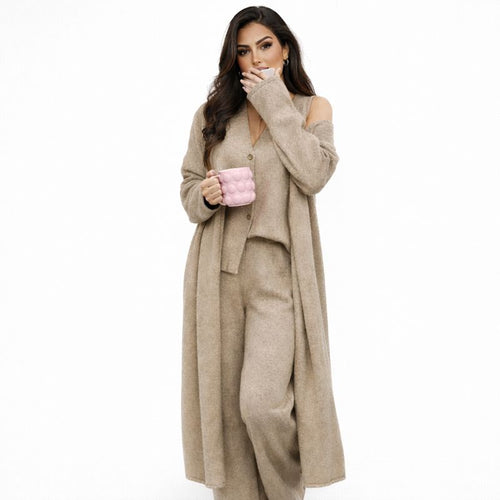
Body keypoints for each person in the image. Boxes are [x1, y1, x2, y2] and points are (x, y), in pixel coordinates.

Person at [179, 6, 345, 499]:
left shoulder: (313, 109)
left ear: (285, 48)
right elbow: (188, 188)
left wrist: (274, 101)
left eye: (265, 46)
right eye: (244, 51)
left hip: (279, 277)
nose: (255, 59)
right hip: (217, 272)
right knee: (228, 411)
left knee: (262, 404)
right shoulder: (212, 115)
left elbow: (314, 174)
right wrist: (205, 195)